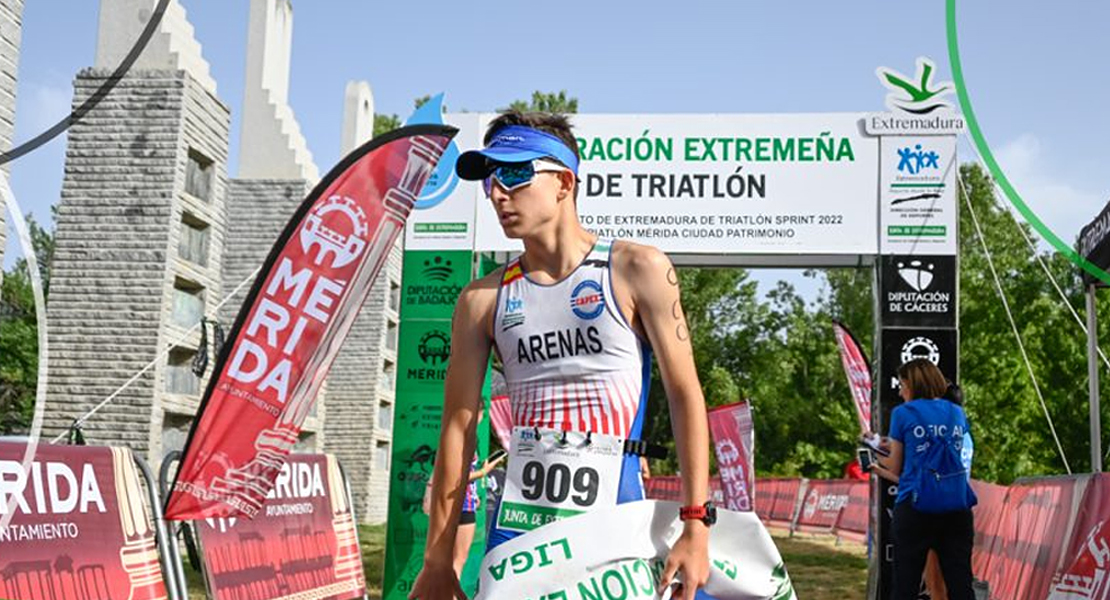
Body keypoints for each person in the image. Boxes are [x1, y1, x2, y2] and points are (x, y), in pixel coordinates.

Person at [410, 111, 712, 600]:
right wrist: (438, 561)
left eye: (513, 173)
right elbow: (457, 427)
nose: (497, 193)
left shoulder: (637, 268)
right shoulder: (481, 299)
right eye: (489, 180)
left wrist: (696, 522)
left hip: (614, 516)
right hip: (520, 529)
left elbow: (685, 393)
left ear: (563, 182)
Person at [871, 359, 975, 600]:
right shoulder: (956, 412)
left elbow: (895, 466)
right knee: (961, 585)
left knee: (905, 586)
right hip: (957, 506)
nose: (900, 391)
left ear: (913, 385)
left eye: (903, 385)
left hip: (916, 506)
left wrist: (875, 454)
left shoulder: (903, 413)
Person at [452, 452, 506, 576]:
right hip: (463, 506)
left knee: (451, 559)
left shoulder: (451, 441)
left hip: (458, 504)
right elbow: (458, 478)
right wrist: (483, 472)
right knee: (458, 560)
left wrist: (474, 494)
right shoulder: (460, 441)